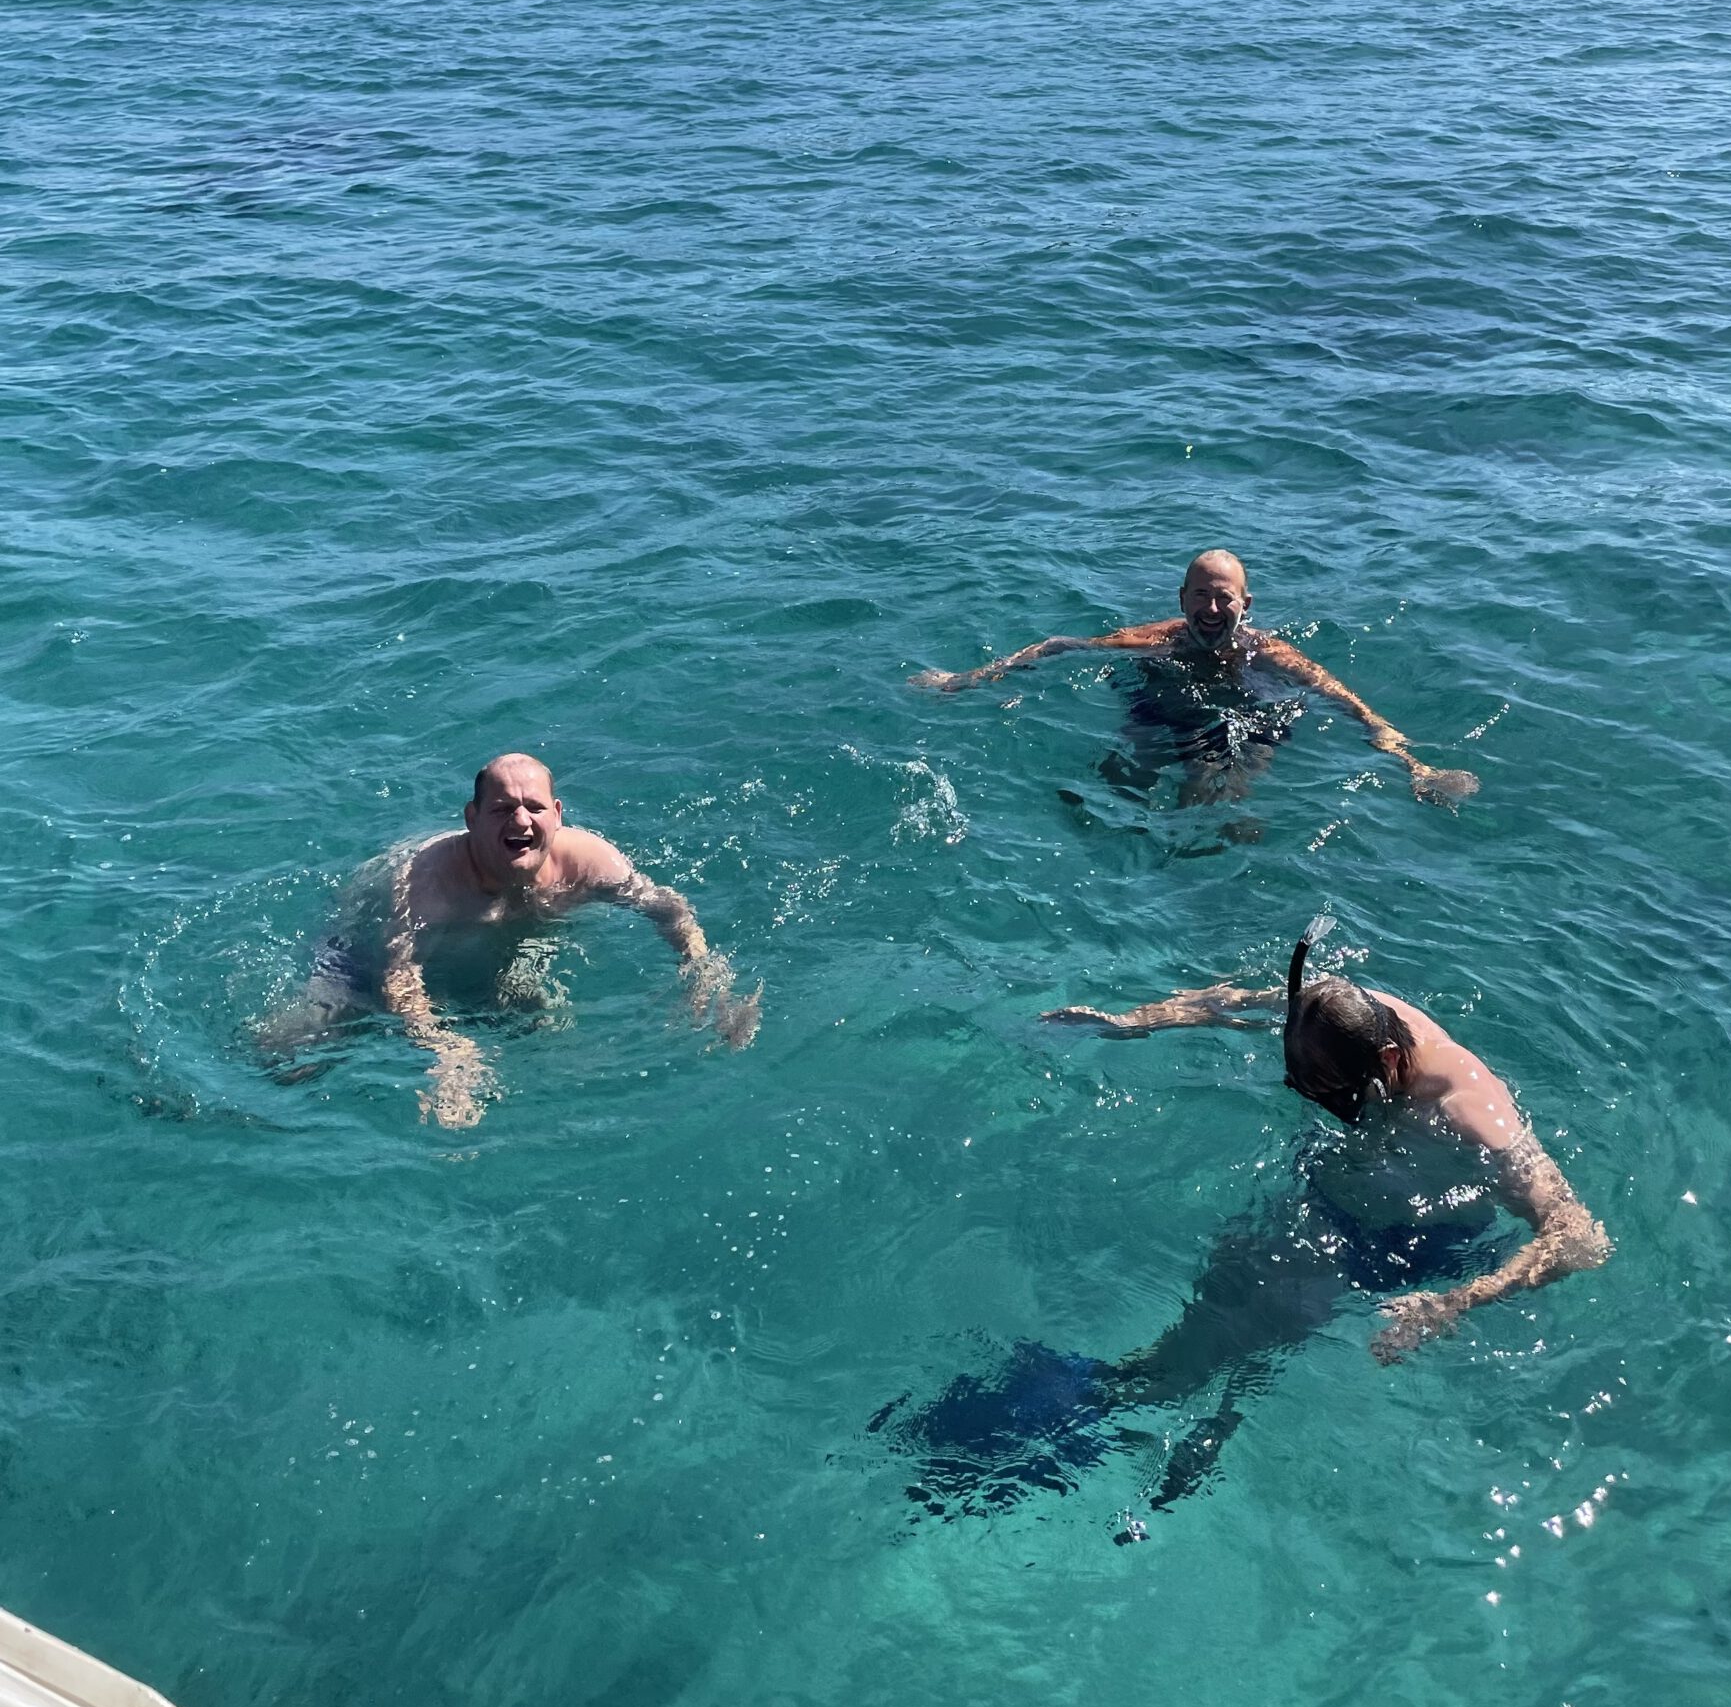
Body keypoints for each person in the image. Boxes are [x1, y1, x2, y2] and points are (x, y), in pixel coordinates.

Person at [876, 936, 1607, 1519]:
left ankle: (1106, 1417)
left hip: (1417, 1246)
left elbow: (1578, 1235)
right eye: (1303, 1090)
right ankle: (1195, 1415)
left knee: (1225, 1335)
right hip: (1345, 1203)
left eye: (1333, 1097)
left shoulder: (1472, 1115)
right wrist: (1131, 1023)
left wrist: (1453, 1305)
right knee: (1231, 1310)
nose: (1319, 1105)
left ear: (1386, 1061)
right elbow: (1230, 1000)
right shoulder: (1348, 1013)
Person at [256, 754, 759, 1128]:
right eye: (502, 809)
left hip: (499, 951)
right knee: (292, 1059)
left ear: (557, 814)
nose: (521, 821)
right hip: (361, 961)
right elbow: (396, 976)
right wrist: (446, 1051)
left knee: (541, 1030)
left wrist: (706, 974)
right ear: (471, 818)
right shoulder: (427, 886)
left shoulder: (589, 862)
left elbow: (669, 909)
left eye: (533, 807)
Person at [909, 549, 1478, 806]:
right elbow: (1061, 645)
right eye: (1200, 595)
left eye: (1222, 597)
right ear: (1182, 598)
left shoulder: (1272, 653)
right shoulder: (1155, 639)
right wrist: (968, 679)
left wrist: (1414, 765)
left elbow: (1350, 704)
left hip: (1252, 714)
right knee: (1121, 780)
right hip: (1169, 703)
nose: (1210, 608)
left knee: (1219, 795)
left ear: (1245, 604)